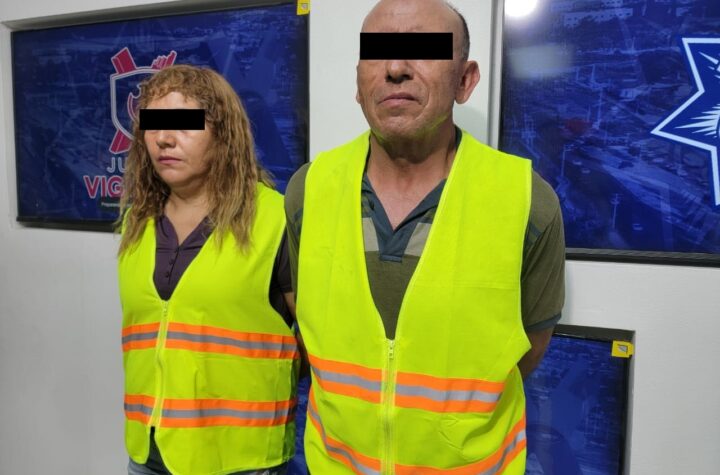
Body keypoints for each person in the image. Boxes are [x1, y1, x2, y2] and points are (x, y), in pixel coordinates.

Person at [285, 0, 565, 473]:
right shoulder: (307, 190)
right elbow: (308, 324)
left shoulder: (527, 201)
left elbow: (528, 348)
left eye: (424, 49)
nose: (395, 68)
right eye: (376, 53)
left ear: (465, 80)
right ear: (358, 83)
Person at [117, 65, 298, 475]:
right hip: (149, 454)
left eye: (184, 124)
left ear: (224, 134)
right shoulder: (136, 223)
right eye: (153, 125)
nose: (164, 138)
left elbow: (316, 344)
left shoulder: (274, 219)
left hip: (242, 460)